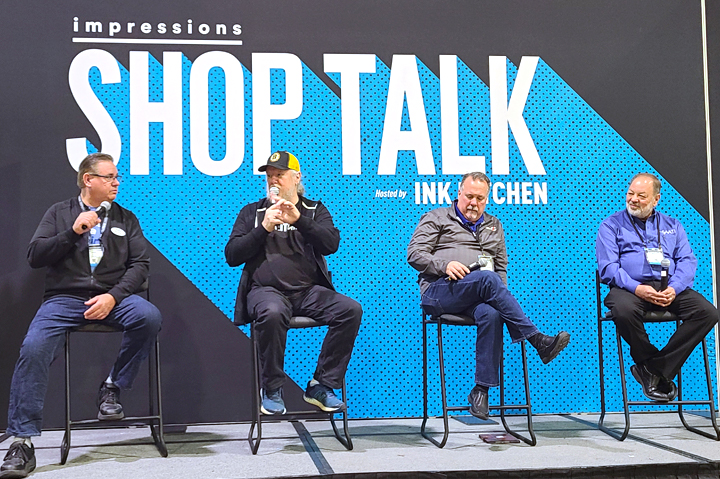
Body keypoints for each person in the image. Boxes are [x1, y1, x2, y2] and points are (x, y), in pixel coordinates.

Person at [1, 153, 162, 478]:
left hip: (112, 297)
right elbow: (35, 256)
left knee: (148, 316)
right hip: (65, 299)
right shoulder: (60, 213)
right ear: (88, 180)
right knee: (33, 348)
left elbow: (141, 265)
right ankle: (22, 441)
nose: (117, 182)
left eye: (117, 177)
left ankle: (112, 385)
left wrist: (113, 296)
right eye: (109, 177)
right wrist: (72, 233)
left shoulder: (125, 218)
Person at [407, 171, 570, 420]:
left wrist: (497, 296)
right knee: (487, 277)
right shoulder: (437, 217)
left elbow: (500, 268)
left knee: (493, 311)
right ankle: (536, 339)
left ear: (488, 198)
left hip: (478, 295)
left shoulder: (495, 225)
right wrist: (444, 265)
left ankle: (481, 391)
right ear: (458, 193)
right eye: (470, 196)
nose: (474, 203)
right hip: (439, 292)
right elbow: (415, 254)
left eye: (480, 198)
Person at [225, 151, 362, 415]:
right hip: (265, 292)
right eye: (269, 176)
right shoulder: (253, 212)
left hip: (308, 292)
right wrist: (263, 228)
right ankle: (273, 388)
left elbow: (330, 243)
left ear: (296, 177)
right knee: (272, 312)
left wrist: (299, 220)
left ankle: (321, 385)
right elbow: (232, 255)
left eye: (280, 175)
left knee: (350, 310)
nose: (273, 181)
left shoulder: (314, 210)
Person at [596, 172, 718, 402]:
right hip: (629, 289)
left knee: (707, 312)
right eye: (630, 193)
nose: (633, 199)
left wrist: (675, 287)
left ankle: (653, 370)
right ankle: (652, 365)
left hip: (668, 287)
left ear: (656, 199)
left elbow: (687, 261)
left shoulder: (673, 225)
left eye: (641, 196)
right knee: (623, 310)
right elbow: (608, 268)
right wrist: (637, 288)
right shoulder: (611, 225)